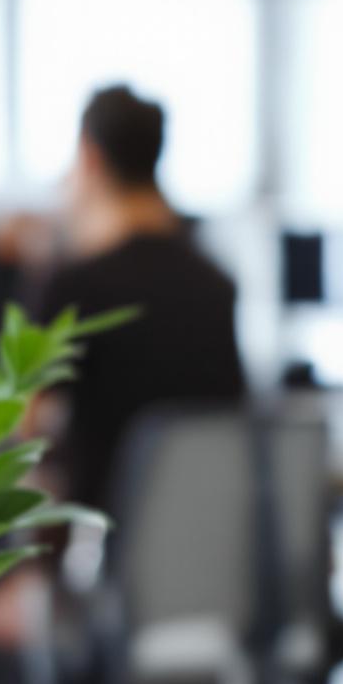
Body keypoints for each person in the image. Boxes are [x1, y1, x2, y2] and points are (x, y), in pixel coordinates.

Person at [23, 84, 245, 505]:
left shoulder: (73, 285)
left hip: (104, 546)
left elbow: (21, 429)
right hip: (204, 538)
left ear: (89, 157)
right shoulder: (217, 283)